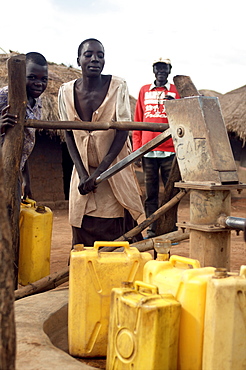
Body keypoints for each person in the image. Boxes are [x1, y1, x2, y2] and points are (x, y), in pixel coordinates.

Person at [58, 38, 144, 247]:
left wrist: (100, 174)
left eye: (100, 55)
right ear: (78, 60)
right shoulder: (65, 92)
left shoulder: (118, 86)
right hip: (83, 173)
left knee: (117, 225)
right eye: (88, 55)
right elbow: (68, 134)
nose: (95, 59)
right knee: (82, 222)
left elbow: (122, 132)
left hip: (114, 168)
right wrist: (83, 173)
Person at [132, 58, 180, 239]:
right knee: (150, 193)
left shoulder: (176, 91)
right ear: (153, 70)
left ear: (169, 70)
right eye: (158, 67)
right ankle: (152, 228)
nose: (161, 70)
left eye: (164, 67)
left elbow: (183, 118)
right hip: (148, 151)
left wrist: (173, 105)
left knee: (171, 192)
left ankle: (170, 229)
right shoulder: (144, 90)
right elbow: (138, 120)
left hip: (171, 150)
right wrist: (138, 149)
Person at [0, 52, 48, 200]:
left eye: (44, 79)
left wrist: (26, 180)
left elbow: (23, 144)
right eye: (32, 77)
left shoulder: (37, 102)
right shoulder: (4, 96)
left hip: (14, 173)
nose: (39, 83)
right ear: (20, 75)